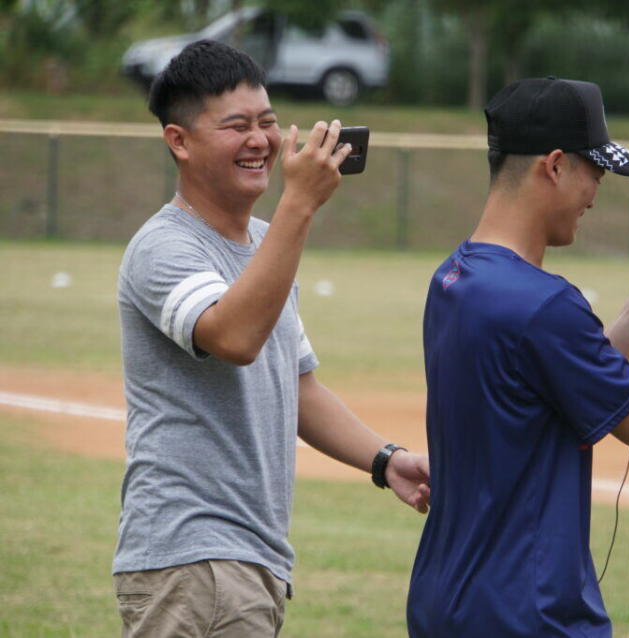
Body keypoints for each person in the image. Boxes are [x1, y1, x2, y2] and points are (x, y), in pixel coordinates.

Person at [113, 40, 430, 638]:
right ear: (178, 141)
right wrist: (300, 204)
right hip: (190, 556)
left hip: (250, 559)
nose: (260, 140)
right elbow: (234, 338)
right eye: (236, 126)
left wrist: (386, 460)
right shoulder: (163, 248)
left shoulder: (264, 243)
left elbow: (298, 386)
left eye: (267, 122)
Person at [406, 77, 629, 637]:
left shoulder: (454, 277)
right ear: (555, 165)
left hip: (449, 601)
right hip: (528, 613)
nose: (598, 188)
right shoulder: (543, 303)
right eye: (595, 168)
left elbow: (549, 397)